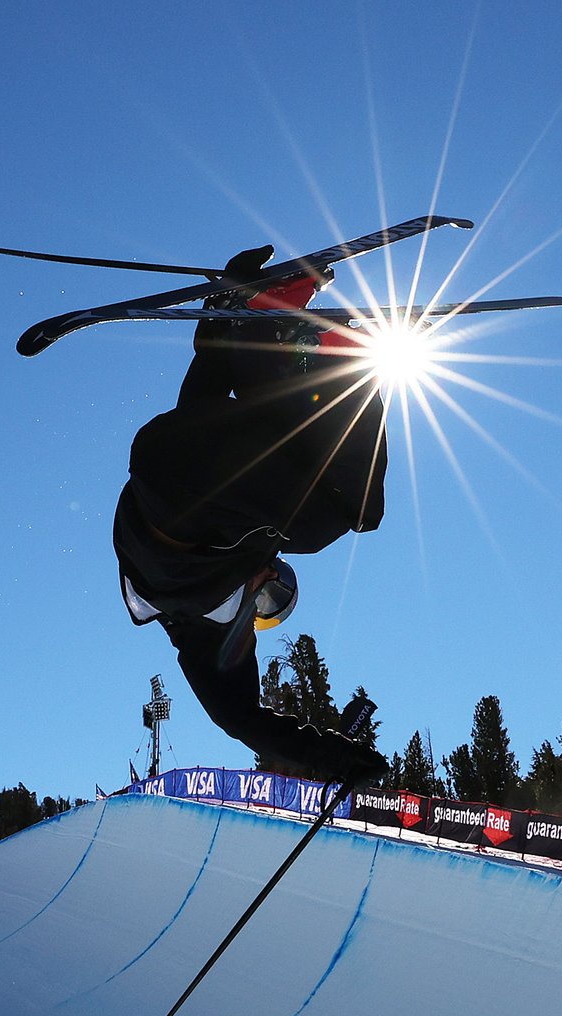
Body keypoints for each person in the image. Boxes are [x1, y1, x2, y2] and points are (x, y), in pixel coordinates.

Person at [113, 245, 389, 785]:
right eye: (279, 590)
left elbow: (243, 720)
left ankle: (331, 363)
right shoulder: (184, 578)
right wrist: (217, 320)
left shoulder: (201, 632)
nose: (267, 583)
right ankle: (246, 319)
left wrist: (331, 760)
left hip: (186, 476)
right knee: (247, 439)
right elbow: (199, 413)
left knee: (357, 513)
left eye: (266, 601)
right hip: (158, 454)